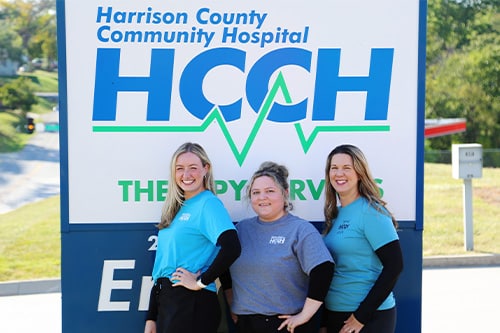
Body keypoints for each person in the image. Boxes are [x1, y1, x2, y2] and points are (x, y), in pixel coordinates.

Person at [222, 161, 334, 333]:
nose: (262, 197)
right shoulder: (241, 230)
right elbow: (224, 268)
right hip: (245, 324)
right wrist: (232, 302)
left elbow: (323, 269)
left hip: (286, 325)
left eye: (270, 191)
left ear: (285, 193)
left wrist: (305, 315)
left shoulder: (300, 230)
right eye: (256, 192)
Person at [144, 142, 241, 333]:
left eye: (193, 168)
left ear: (206, 169)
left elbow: (232, 247)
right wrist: (152, 317)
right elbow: (162, 267)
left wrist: (200, 282)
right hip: (169, 302)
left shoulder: (208, 204)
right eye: (180, 169)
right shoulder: (176, 209)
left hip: (191, 303)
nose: (186, 175)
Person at [320, 144, 403, 333]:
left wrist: (360, 317)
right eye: (334, 168)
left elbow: (395, 266)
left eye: (346, 168)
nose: (339, 174)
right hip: (336, 312)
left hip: (368, 317)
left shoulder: (371, 211)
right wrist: (325, 322)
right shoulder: (335, 215)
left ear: (359, 173)